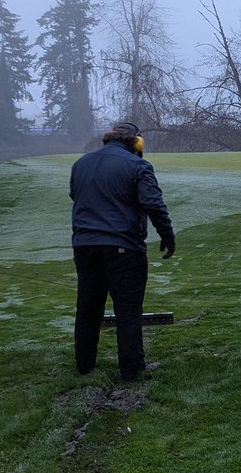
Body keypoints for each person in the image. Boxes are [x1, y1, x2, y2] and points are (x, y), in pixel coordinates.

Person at [69, 121, 176, 381]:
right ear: (136, 143)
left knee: (88, 307)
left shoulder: (81, 164)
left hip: (84, 246)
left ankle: (84, 365)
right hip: (123, 248)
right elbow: (153, 203)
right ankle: (132, 369)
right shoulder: (138, 166)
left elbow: (75, 195)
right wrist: (167, 235)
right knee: (128, 309)